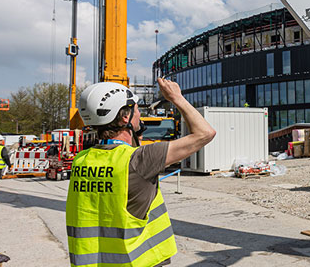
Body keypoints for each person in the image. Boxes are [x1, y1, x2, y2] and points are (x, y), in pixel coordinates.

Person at [66, 79, 216, 266]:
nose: (140, 115)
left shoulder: (81, 160)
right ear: (124, 117)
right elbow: (205, 133)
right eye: (136, 109)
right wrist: (176, 98)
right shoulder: (139, 160)